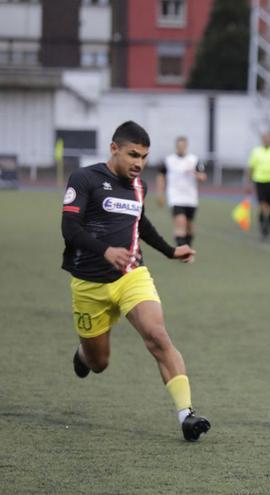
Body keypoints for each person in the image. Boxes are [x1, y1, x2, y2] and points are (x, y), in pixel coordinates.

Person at [61, 121, 210, 441]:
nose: (139, 163)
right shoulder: (84, 178)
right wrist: (103, 251)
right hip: (89, 284)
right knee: (99, 362)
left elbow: (140, 223)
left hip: (132, 276)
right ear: (113, 149)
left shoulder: (138, 185)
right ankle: (83, 354)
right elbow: (70, 228)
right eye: (133, 155)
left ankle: (186, 414)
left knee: (158, 336)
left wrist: (170, 251)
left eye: (144, 156)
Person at [156, 136, 207, 246]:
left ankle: (188, 247)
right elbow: (161, 176)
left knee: (189, 225)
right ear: (176, 146)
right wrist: (160, 193)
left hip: (190, 198)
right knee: (180, 222)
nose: (181, 148)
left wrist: (195, 173)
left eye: (183, 146)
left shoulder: (194, 160)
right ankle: (182, 251)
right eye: (179, 146)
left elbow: (203, 177)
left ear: (186, 146)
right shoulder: (169, 160)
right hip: (175, 197)